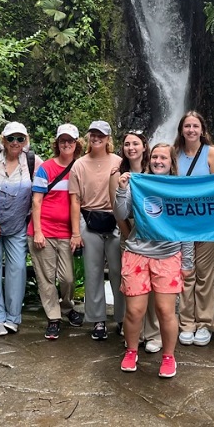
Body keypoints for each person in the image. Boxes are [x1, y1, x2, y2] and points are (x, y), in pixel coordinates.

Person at [114, 143, 194, 378]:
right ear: (150, 160)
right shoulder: (140, 183)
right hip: (137, 253)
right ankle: (131, 351)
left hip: (168, 255)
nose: (159, 161)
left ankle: (169, 357)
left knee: (165, 310)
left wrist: (187, 262)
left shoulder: (179, 189)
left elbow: (185, 229)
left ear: (172, 162)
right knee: (134, 311)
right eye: (156, 157)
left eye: (164, 158)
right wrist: (121, 189)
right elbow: (121, 214)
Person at [0, 121, 42, 336]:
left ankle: (12, 317)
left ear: (26, 140)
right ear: (3, 140)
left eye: (20, 138)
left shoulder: (33, 162)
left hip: (18, 225)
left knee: (17, 270)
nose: (15, 142)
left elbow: (43, 192)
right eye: (11, 138)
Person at [69, 120, 124, 341]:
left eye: (101, 135)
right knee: (93, 274)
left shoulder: (119, 162)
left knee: (119, 273)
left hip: (116, 221)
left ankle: (122, 318)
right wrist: (75, 232)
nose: (96, 138)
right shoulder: (79, 165)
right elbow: (74, 201)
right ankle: (98, 320)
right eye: (93, 134)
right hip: (89, 219)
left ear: (108, 138)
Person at [109, 130, 163, 354]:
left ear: (144, 147)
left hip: (155, 239)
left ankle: (153, 332)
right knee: (133, 290)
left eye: (136, 143)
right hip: (130, 237)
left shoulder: (153, 171)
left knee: (154, 290)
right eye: (127, 144)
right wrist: (130, 233)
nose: (131, 147)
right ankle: (135, 332)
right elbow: (118, 211)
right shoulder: (118, 174)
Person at [29, 123, 84, 340]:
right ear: (57, 143)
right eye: (63, 140)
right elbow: (36, 200)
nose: (66, 144)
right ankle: (53, 318)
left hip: (67, 232)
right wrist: (38, 232)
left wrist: (77, 232)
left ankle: (67, 306)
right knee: (46, 278)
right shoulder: (46, 168)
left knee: (68, 278)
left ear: (77, 144)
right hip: (44, 230)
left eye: (70, 140)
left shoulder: (79, 168)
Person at [174, 111, 214, 347]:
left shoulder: (212, 153)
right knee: (186, 275)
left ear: (202, 129)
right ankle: (186, 323)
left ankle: (204, 323)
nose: (191, 130)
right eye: (187, 126)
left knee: (205, 275)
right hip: (180, 225)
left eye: (195, 126)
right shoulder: (174, 154)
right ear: (181, 130)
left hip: (207, 225)